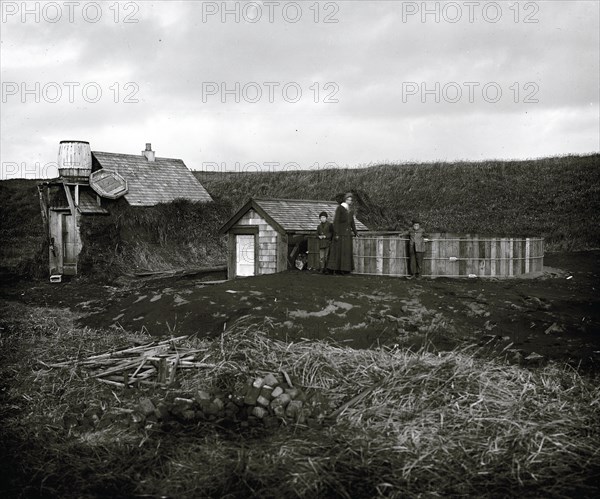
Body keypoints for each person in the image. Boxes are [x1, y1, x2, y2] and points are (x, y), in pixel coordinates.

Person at [327, 192, 359, 274]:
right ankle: (336, 269)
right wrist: (336, 233)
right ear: (345, 200)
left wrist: (355, 232)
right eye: (348, 199)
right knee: (338, 252)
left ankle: (345, 269)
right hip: (340, 234)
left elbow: (352, 222)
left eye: (350, 200)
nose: (349, 201)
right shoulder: (340, 208)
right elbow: (336, 221)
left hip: (347, 235)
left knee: (346, 252)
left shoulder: (350, 211)